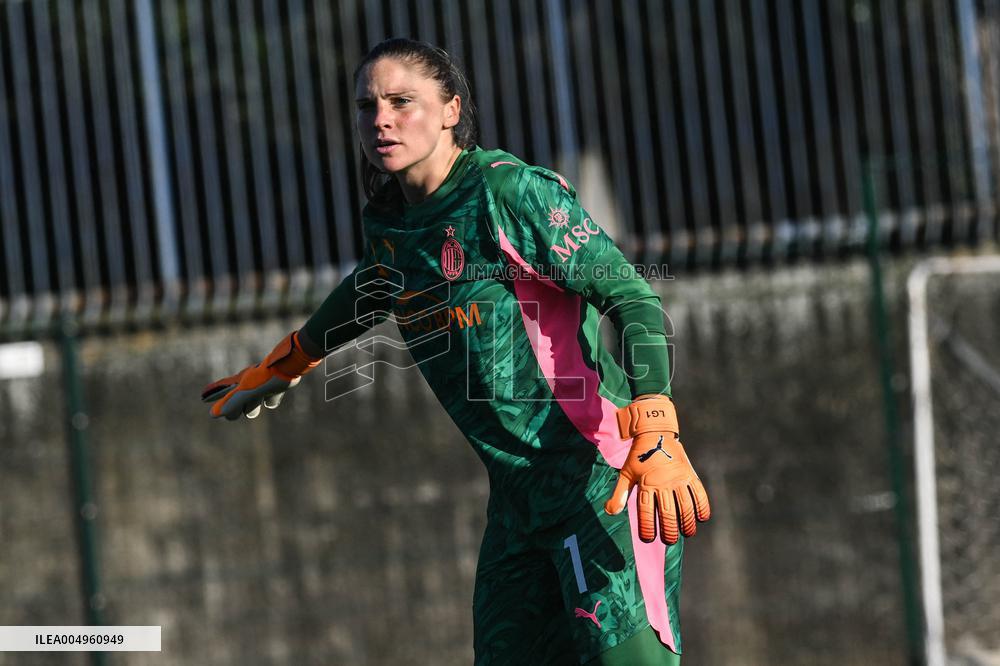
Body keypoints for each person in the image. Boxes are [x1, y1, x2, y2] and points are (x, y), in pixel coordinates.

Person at [201, 38, 710, 666]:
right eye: (366, 106)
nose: (380, 119)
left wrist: (654, 416)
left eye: (400, 101)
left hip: (598, 483)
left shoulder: (509, 193)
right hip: (518, 507)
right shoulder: (394, 223)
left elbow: (632, 297)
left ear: (450, 109)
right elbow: (372, 286)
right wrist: (286, 365)